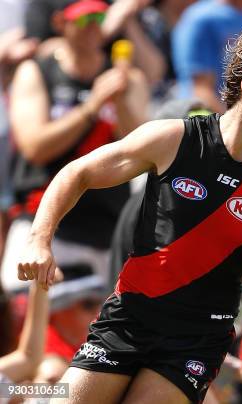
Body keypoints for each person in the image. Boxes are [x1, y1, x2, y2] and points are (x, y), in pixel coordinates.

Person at [17, 24, 242, 404]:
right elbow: (77, 172)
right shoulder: (172, 139)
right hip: (129, 318)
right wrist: (39, 240)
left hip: (196, 340)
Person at [2, 0, 149, 292]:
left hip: (106, 226)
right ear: (60, 24)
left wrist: (119, 103)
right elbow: (34, 146)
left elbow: (141, 148)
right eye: (84, 20)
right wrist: (90, 108)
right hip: (45, 222)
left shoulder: (126, 77)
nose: (93, 28)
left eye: (99, 17)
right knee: (24, 314)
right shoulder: (37, 71)